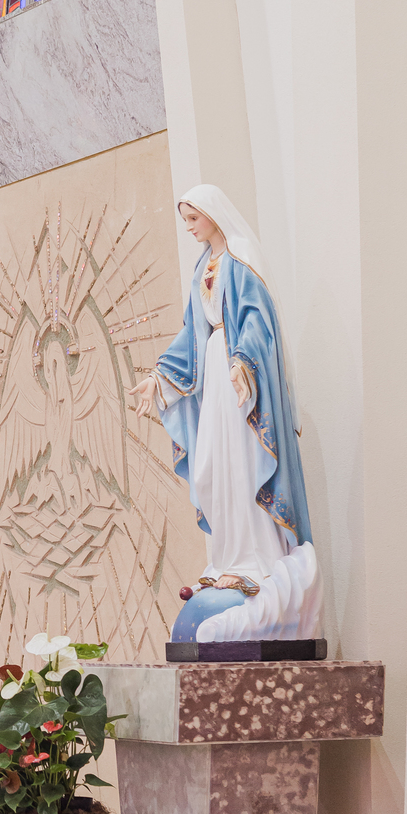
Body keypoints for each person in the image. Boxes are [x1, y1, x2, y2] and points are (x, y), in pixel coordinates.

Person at [128, 185, 319, 637]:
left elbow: (256, 318)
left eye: (194, 218)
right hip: (213, 375)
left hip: (238, 380)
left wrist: (244, 363)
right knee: (214, 465)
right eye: (186, 219)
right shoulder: (203, 267)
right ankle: (229, 558)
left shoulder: (240, 257)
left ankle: (257, 559)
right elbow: (191, 334)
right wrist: (157, 377)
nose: (190, 227)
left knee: (243, 460)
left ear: (213, 214)